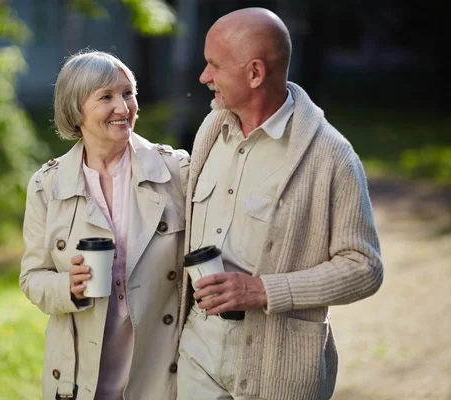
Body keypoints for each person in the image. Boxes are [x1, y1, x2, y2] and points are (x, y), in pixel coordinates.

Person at [177, 8, 384, 400]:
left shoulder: (331, 156)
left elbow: (365, 268)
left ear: (255, 74)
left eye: (214, 66)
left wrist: (263, 291)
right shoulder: (211, 128)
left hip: (278, 373)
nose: (204, 77)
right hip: (197, 357)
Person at [20, 50, 189, 400]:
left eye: (128, 93)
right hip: (80, 378)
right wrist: (68, 286)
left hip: (162, 373)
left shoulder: (175, 171)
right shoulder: (46, 186)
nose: (123, 108)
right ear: (75, 109)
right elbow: (32, 277)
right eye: (106, 97)